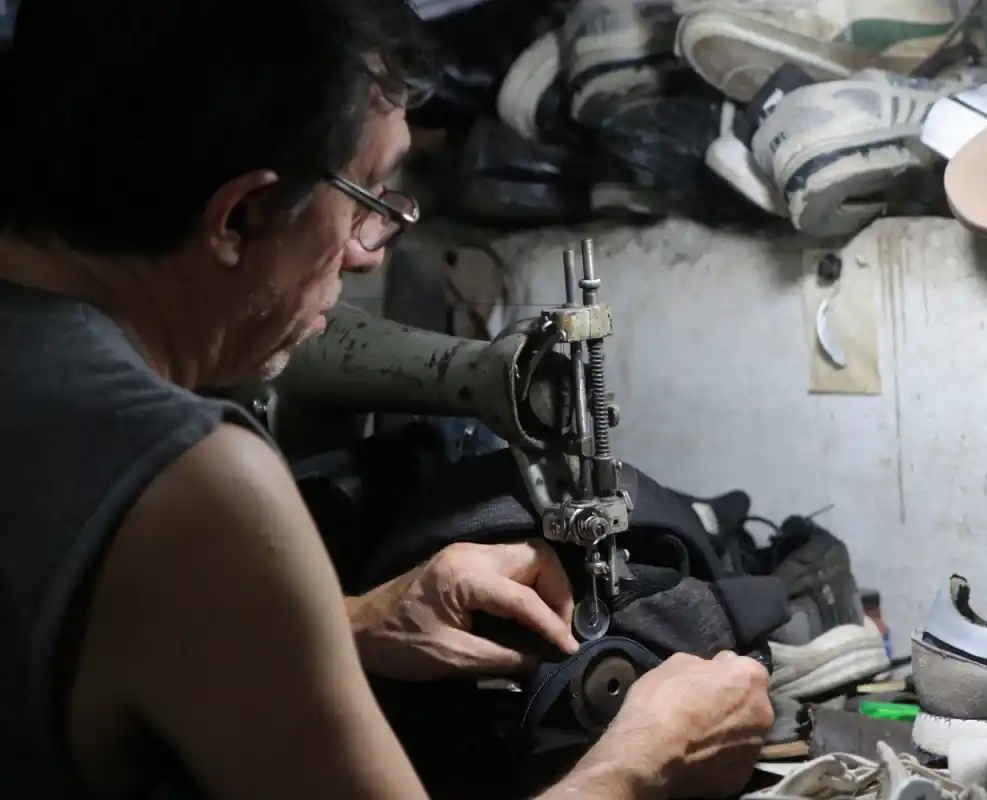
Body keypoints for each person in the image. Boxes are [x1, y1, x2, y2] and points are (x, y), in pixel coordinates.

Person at [0, 2, 774, 799]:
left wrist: (357, 621)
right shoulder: (193, 486)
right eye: (367, 197)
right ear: (241, 218)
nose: (367, 258)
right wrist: (646, 760)